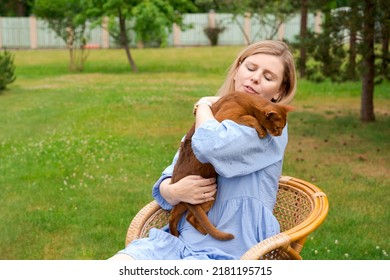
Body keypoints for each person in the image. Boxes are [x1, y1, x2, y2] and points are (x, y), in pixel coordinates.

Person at [110, 40, 297, 260]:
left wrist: (203, 104)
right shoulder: (210, 119)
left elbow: (208, 145)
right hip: (177, 242)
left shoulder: (270, 130)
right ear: (237, 71)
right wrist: (172, 191)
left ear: (279, 92)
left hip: (233, 251)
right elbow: (172, 172)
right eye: (251, 68)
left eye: (268, 77)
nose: (255, 78)